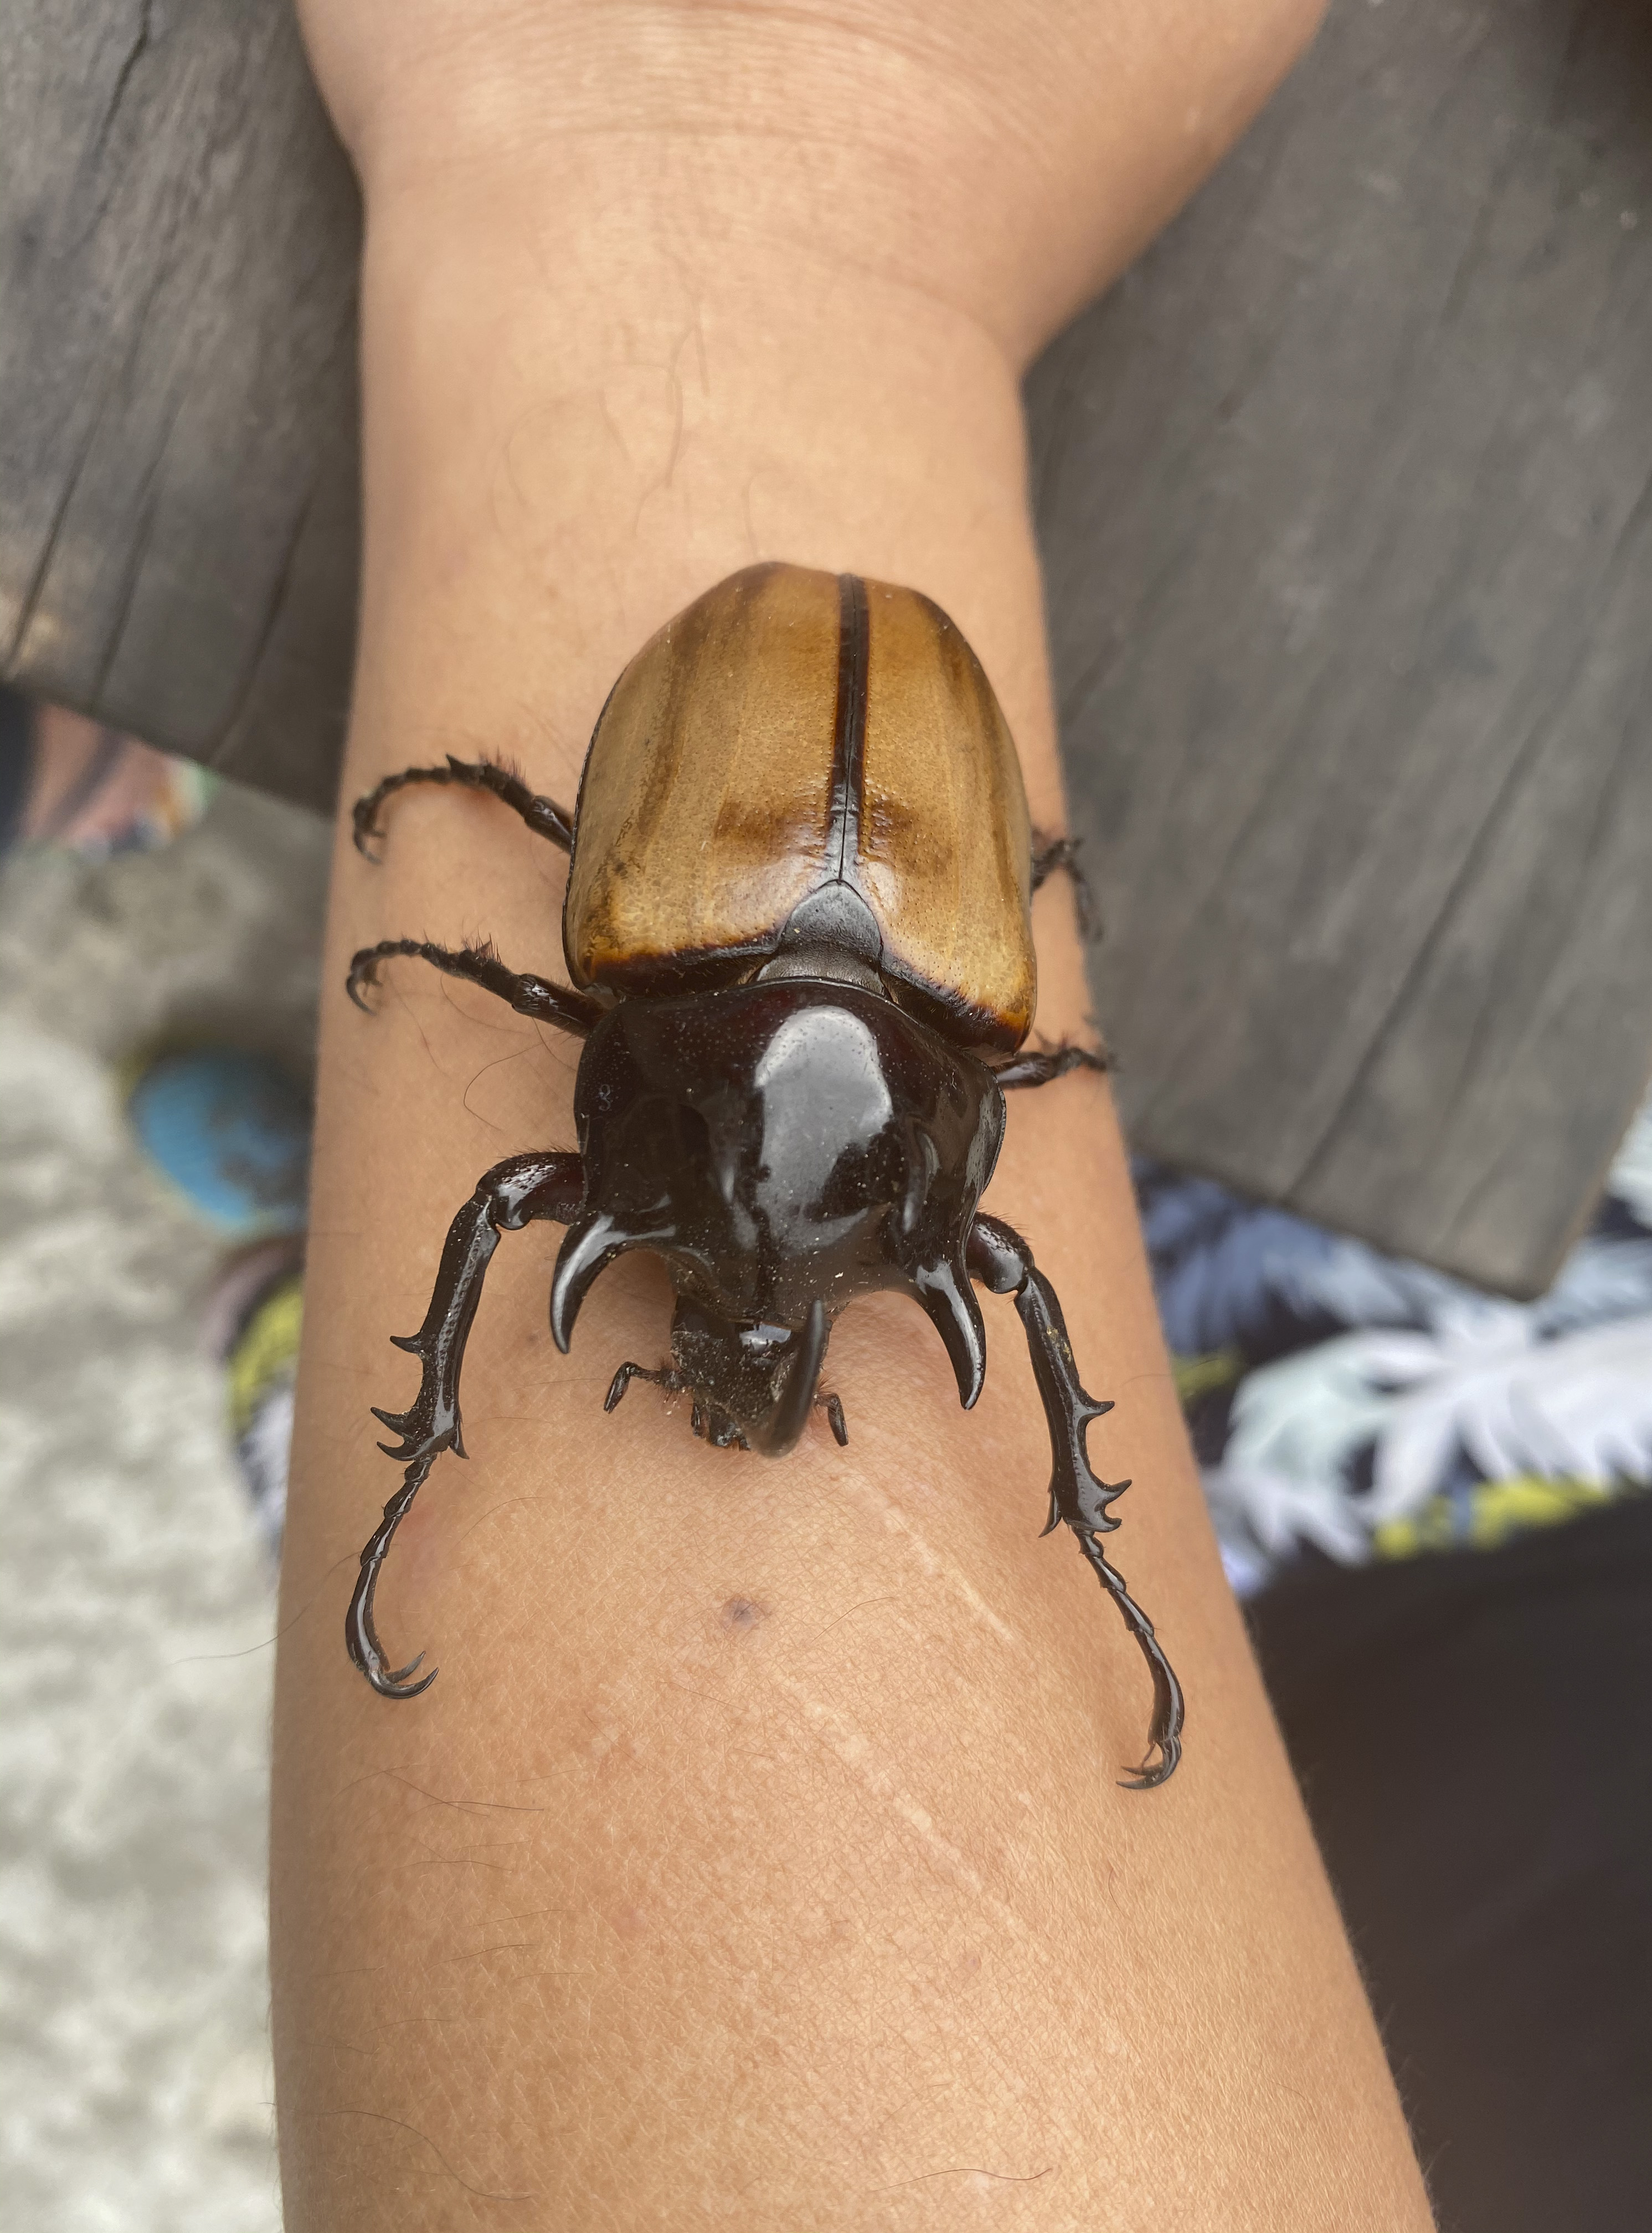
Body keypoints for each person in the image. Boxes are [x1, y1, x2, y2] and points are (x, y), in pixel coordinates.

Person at [271, 4, 1435, 2225]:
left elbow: (606, 1164)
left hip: (843, 865)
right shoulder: (874, 1034)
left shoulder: (748, 1023)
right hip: (844, 857)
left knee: (544, 1122)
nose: (752, 1330)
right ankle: (321, 1385)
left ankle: (312, 1370)